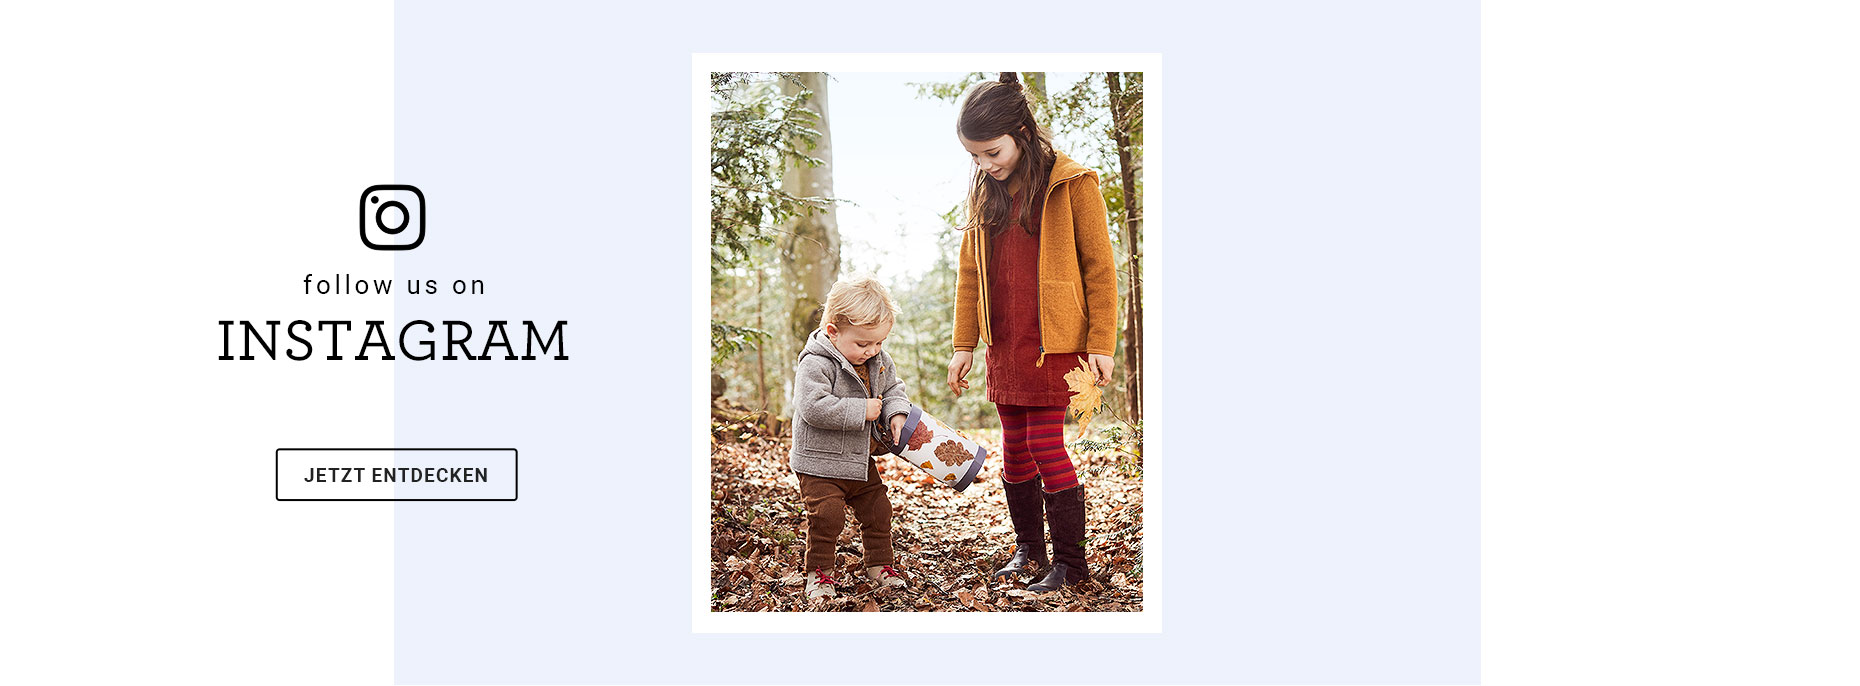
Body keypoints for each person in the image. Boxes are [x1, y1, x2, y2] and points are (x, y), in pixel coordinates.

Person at [947, 72, 1117, 592]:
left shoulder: (1073, 184)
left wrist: (1101, 344)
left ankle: (1071, 564)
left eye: (992, 152)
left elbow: (1100, 269)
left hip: (1055, 345)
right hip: (1004, 344)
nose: (985, 164)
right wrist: (963, 344)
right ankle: (1029, 551)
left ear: (1021, 132)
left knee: (1045, 445)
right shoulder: (985, 193)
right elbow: (970, 273)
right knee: (1014, 449)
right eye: (975, 156)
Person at [788, 276, 914, 601]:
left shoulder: (878, 360)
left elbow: (893, 389)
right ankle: (819, 574)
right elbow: (813, 407)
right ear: (833, 331)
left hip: (857, 459)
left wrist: (896, 412)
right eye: (863, 344)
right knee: (827, 516)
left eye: (879, 342)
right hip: (819, 462)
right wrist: (861, 410)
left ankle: (879, 565)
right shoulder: (815, 363)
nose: (872, 351)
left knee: (878, 509)